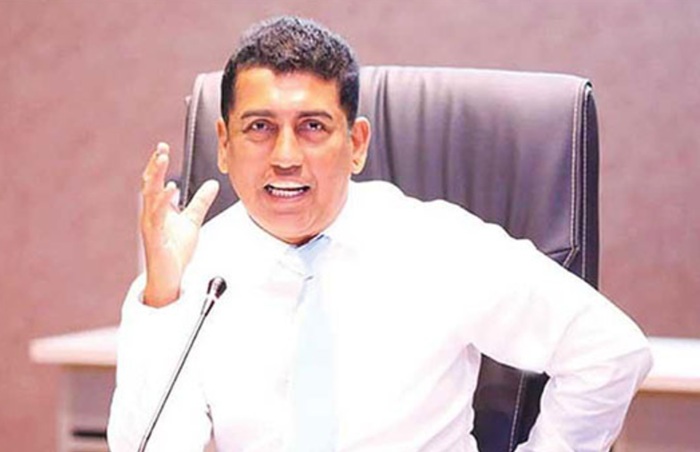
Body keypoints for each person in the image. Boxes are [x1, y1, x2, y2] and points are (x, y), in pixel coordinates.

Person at [108, 15, 652, 452]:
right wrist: (163, 299)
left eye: (312, 127)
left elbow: (609, 351)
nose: (286, 156)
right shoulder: (196, 270)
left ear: (357, 143)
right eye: (260, 127)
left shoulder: (437, 244)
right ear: (224, 145)